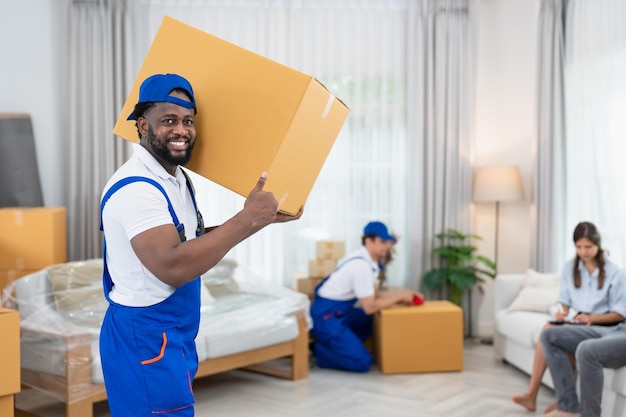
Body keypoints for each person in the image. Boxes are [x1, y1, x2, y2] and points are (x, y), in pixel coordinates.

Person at [98, 73, 302, 417]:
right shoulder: (137, 189)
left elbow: (192, 241)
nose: (182, 130)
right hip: (144, 337)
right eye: (168, 120)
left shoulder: (176, 178)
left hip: (171, 335)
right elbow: (172, 266)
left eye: (188, 121)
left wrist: (259, 218)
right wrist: (247, 218)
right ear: (143, 126)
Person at [512, 221, 626, 413]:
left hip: (607, 327)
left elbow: (620, 314)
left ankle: (538, 396)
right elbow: (563, 299)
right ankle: (567, 406)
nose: (583, 251)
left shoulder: (614, 273)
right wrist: (562, 311)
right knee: (548, 333)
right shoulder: (570, 269)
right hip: (579, 324)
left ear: (598, 245)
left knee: (575, 343)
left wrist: (591, 318)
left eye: (588, 246)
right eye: (579, 247)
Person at [309, 221, 421, 372]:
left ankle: (344, 344)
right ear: (369, 241)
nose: (387, 246)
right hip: (326, 317)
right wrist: (400, 296)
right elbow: (370, 307)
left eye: (387, 242)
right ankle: (319, 351)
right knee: (362, 362)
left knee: (371, 319)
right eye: (382, 241)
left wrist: (403, 296)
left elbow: (372, 295)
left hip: (338, 312)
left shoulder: (370, 262)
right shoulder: (361, 266)